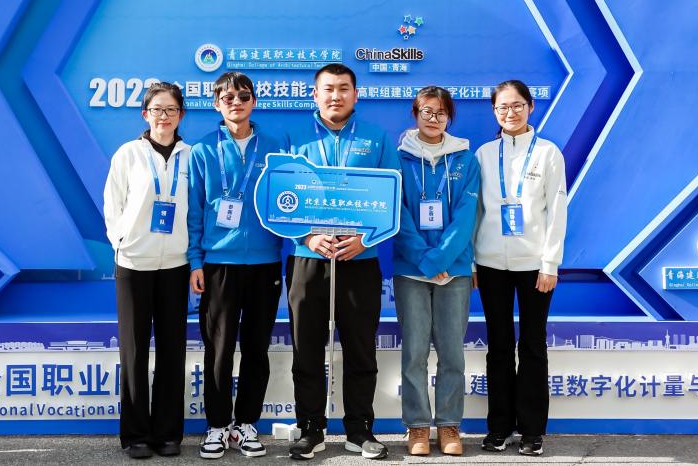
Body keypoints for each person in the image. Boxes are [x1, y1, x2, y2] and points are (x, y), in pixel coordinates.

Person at [285, 63, 399, 461]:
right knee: (307, 348)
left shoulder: (376, 138)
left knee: (361, 348)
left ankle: (359, 430)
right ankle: (310, 428)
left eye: (344, 88)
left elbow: (393, 198)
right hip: (308, 258)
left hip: (360, 258)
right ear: (315, 94)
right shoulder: (294, 138)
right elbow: (279, 199)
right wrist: (306, 237)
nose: (336, 95)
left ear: (356, 94)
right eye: (329, 88)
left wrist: (365, 239)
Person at [187, 71, 286, 459]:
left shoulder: (274, 149)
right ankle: (216, 425)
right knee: (220, 349)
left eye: (243, 96)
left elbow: (286, 205)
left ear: (254, 101)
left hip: (265, 263)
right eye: (227, 97)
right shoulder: (202, 150)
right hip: (219, 264)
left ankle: (246, 424)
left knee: (257, 349)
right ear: (216, 104)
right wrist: (196, 261)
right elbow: (195, 211)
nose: (236, 102)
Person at [474, 79, 566, 457]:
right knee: (498, 345)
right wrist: (473, 260)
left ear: (530, 107)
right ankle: (499, 428)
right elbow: (476, 210)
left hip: (534, 266)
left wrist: (550, 263)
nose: (510, 113)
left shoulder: (547, 153)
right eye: (502, 107)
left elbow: (557, 210)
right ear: (494, 111)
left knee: (532, 345)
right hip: (490, 263)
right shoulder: (483, 154)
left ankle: (531, 431)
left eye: (517, 106)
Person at [103, 82, 192, 460]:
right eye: (157, 109)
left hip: (175, 263)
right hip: (134, 264)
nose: (164, 116)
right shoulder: (128, 154)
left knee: (172, 350)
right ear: (145, 114)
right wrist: (122, 241)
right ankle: (136, 434)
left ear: (180, 115)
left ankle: (168, 434)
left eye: (171, 109)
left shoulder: (191, 156)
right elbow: (112, 204)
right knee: (135, 351)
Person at [393, 86, 480, 456]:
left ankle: (448, 425)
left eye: (441, 112)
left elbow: (466, 216)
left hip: (454, 271)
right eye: (427, 111)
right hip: (411, 270)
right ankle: (416, 426)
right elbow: (397, 214)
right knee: (413, 352)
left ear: (449, 117)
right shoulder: (397, 158)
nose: (434, 118)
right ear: (415, 114)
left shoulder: (466, 159)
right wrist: (426, 261)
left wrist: (441, 260)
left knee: (452, 353)